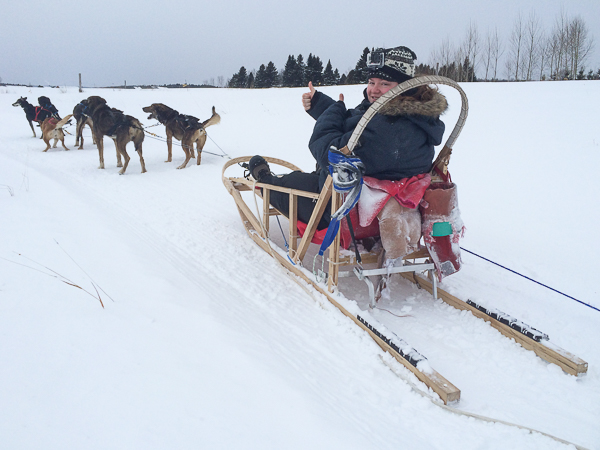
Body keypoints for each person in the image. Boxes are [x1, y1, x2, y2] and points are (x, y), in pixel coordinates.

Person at [249, 45, 448, 266]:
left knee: (288, 184)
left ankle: (264, 180)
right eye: (372, 82)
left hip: (341, 211)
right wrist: (323, 106)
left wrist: (333, 111)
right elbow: (358, 124)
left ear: (403, 88)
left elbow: (326, 148)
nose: (374, 89)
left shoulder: (388, 130)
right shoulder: (412, 119)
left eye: (384, 84)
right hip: (380, 199)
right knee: (302, 178)